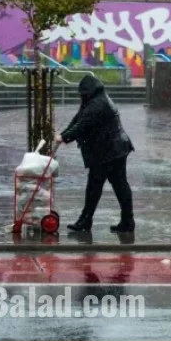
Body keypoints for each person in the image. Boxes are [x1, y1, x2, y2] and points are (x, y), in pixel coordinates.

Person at [56, 76, 135, 233]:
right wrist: (63, 134)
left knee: (98, 186)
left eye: (82, 93)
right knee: (114, 186)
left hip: (110, 152)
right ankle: (126, 222)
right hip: (112, 150)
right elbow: (78, 120)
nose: (81, 97)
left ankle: (87, 221)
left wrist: (64, 138)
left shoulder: (98, 105)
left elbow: (82, 125)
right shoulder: (95, 100)